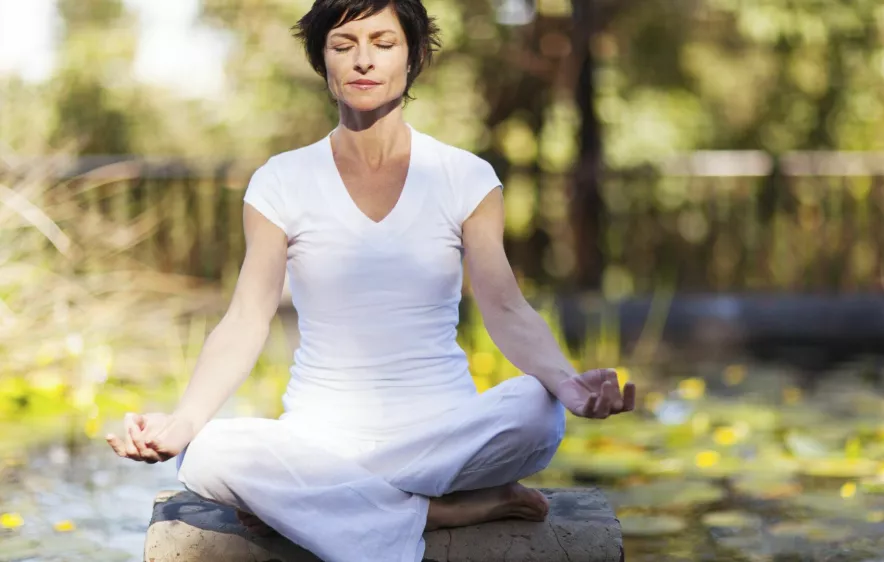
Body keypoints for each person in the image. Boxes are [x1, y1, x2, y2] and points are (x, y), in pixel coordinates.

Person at [106, 1, 636, 561]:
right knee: (209, 451)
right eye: (343, 45)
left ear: (412, 58)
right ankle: (434, 510)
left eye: (383, 44)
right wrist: (183, 420)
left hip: (444, 430)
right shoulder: (281, 181)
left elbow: (505, 308)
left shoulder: (464, 177)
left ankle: (316, 503)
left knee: (538, 409)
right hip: (319, 436)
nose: (363, 60)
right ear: (323, 64)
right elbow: (246, 318)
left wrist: (567, 383)